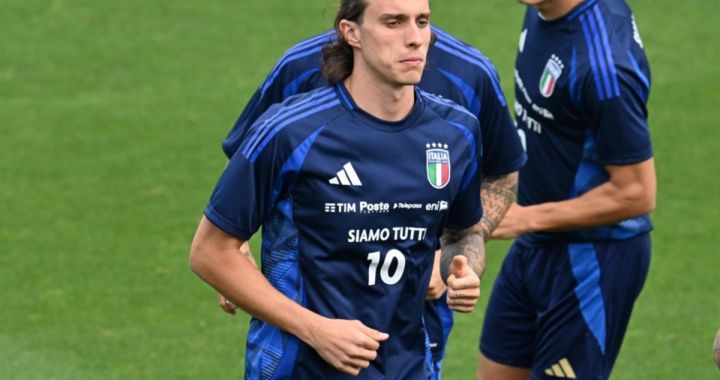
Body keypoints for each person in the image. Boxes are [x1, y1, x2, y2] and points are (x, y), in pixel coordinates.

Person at [190, 0, 488, 378]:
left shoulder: (457, 132)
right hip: (299, 368)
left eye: (422, 22)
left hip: (408, 366)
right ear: (352, 33)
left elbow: (464, 232)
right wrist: (315, 330)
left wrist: (461, 268)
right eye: (393, 22)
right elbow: (210, 251)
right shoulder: (290, 132)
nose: (414, 39)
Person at [476, 0, 656, 379]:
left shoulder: (604, 68)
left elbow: (637, 193)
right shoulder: (542, 8)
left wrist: (526, 218)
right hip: (539, 241)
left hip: (593, 259)